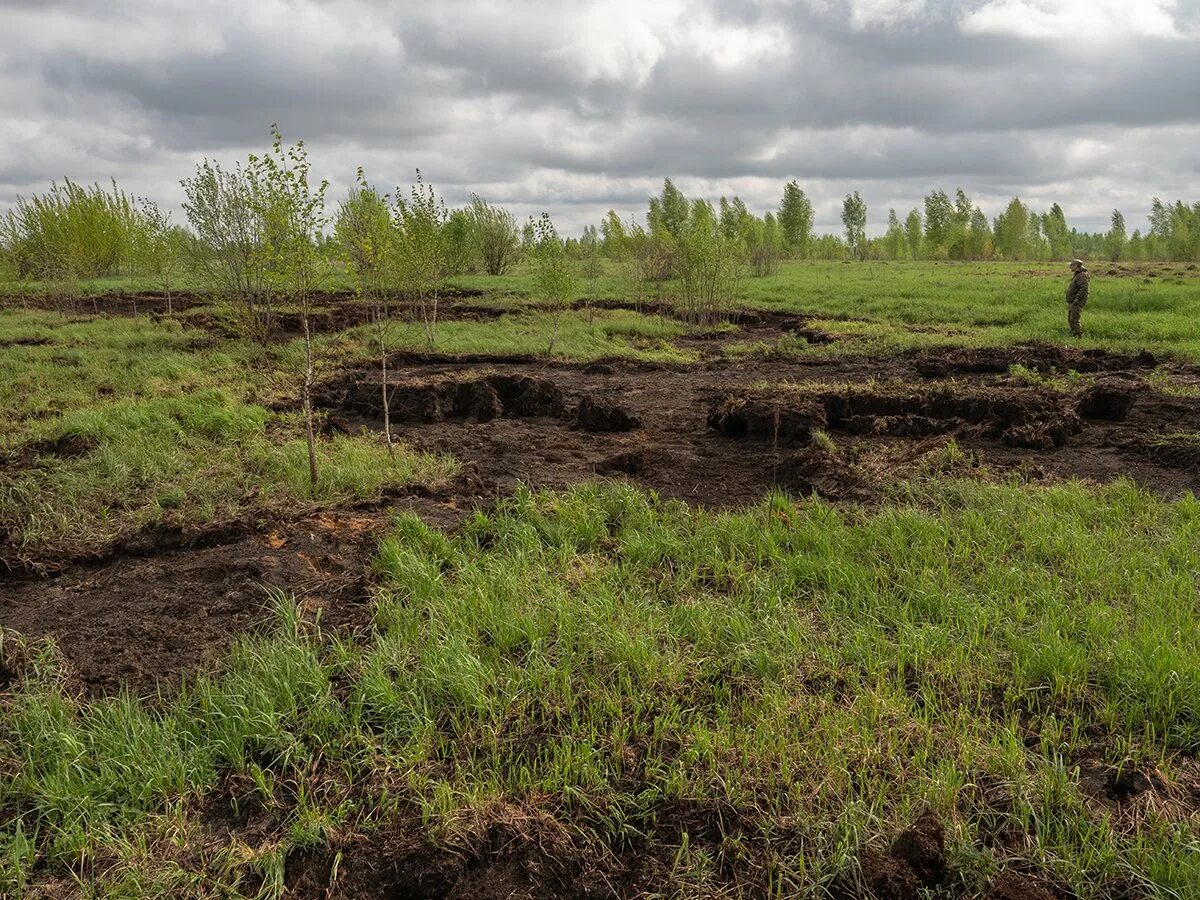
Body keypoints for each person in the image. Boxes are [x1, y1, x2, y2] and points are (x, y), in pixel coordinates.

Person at [1066, 258, 1089, 337]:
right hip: (1073, 300)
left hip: (1077, 301)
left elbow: (1084, 289)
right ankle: (1074, 334)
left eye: (1072, 265)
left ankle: (1078, 336)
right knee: (1070, 319)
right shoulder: (1078, 274)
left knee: (1074, 319)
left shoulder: (1082, 275)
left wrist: (1077, 299)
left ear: (1077, 266)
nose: (1070, 267)